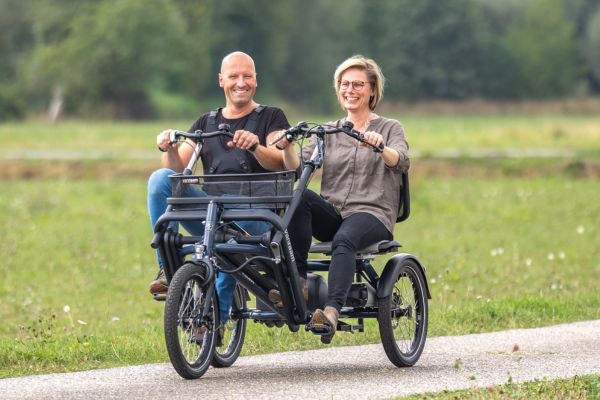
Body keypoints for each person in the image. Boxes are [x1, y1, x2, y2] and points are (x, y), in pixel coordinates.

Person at [147, 51, 290, 331]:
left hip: (257, 217)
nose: (241, 82)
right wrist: (170, 147)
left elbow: (280, 158)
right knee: (159, 179)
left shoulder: (271, 117)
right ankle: (168, 268)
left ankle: (214, 318)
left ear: (256, 81)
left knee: (225, 243)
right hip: (212, 211)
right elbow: (177, 171)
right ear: (221, 80)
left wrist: (254, 146)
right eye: (234, 76)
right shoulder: (206, 122)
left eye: (247, 76)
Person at [276, 55, 410, 341]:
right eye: (344, 84)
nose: (350, 90)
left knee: (344, 240)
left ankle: (332, 311)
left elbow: (401, 160)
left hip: (372, 213)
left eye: (358, 84)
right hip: (335, 213)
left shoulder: (389, 127)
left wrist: (381, 146)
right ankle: (299, 283)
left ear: (372, 90)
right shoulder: (327, 131)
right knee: (297, 198)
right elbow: (296, 168)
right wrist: (286, 146)